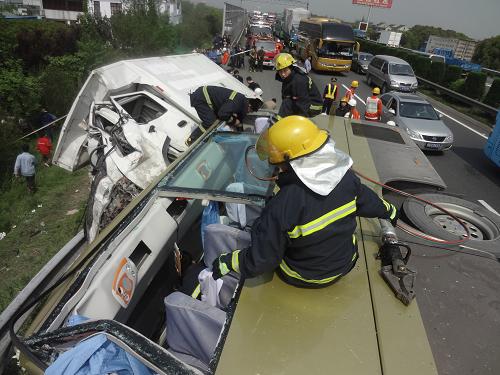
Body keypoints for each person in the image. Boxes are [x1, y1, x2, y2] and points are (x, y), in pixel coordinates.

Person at [210, 116, 398, 287]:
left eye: (276, 164)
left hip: (302, 275)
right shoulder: (348, 180)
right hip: (345, 263)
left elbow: (263, 260)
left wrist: (229, 261)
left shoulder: (281, 206)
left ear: (288, 164)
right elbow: (369, 201)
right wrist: (389, 211)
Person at [189, 86, 262, 144]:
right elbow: (222, 114)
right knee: (210, 123)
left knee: (217, 120)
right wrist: (234, 121)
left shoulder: (243, 103)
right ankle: (191, 139)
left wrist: (241, 133)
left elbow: (239, 119)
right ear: (249, 105)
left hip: (207, 98)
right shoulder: (237, 103)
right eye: (251, 110)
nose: (250, 112)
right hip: (201, 98)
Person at [274, 53, 323, 118]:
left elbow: (303, 102)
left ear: (291, 68)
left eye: (285, 71)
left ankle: (279, 121)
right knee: (287, 101)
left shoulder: (299, 80)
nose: (283, 74)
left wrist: (299, 121)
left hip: (314, 106)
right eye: (280, 72)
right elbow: (286, 96)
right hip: (303, 102)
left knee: (287, 102)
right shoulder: (289, 78)